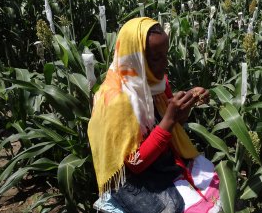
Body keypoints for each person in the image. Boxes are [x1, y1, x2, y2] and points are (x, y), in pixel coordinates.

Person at [88, 17, 221, 213]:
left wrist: (189, 101)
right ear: (137, 58)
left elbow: (170, 123)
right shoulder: (117, 101)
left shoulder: (153, 82)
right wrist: (169, 119)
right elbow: (135, 163)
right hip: (133, 176)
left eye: (166, 55)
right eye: (157, 58)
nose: (165, 63)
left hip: (160, 159)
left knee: (214, 185)